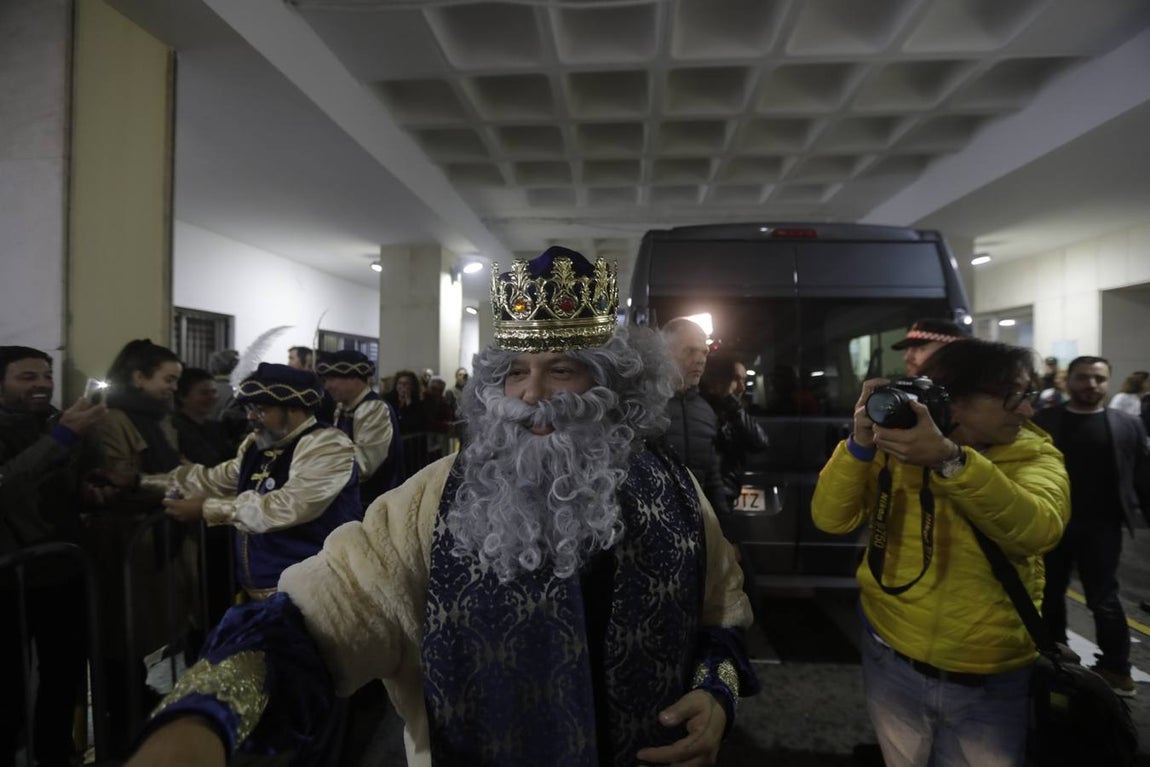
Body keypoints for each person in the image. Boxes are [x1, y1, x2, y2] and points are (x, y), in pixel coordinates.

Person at [126, 246, 758, 767]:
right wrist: (201, 718)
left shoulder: (673, 488)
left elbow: (720, 619)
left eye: (561, 370)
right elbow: (317, 618)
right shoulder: (433, 495)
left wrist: (716, 692)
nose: (530, 395)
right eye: (514, 372)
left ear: (613, 385)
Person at [812, 339, 1069, 767]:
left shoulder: (1034, 455)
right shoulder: (895, 450)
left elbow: (1038, 530)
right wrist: (859, 444)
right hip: (891, 656)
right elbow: (830, 519)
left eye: (1028, 396)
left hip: (989, 675)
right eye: (1014, 398)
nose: (1028, 411)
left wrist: (952, 462)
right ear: (954, 400)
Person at [139, 363, 362, 602]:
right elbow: (214, 479)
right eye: (249, 408)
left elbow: (287, 506)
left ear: (295, 409)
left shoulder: (327, 445)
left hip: (317, 592)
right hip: (261, 593)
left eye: (261, 409)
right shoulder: (256, 444)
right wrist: (141, 481)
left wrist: (206, 509)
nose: (251, 416)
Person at [0, 346, 106, 767]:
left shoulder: (55, 418)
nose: (42, 384)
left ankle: (56, 752)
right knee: (7, 684)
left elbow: (65, 481)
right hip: (8, 576)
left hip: (61, 567)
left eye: (45, 375)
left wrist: (93, 486)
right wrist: (61, 437)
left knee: (63, 673)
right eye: (27, 377)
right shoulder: (56, 427)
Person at [1035, 356, 1149, 697]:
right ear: (1068, 381)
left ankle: (1117, 669)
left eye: (1099, 379)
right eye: (1083, 378)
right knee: (1049, 593)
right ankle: (1056, 658)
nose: (1092, 385)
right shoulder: (1045, 420)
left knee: (1103, 597)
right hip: (1052, 521)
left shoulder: (1126, 424)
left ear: (1108, 381)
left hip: (1102, 525)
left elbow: (1141, 474)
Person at [316, 350, 403, 507]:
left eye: (332, 379)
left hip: (372, 504)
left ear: (353, 378)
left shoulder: (373, 408)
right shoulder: (344, 407)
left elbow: (363, 464)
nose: (327, 386)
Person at [662, 317, 730, 515]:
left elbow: (712, 476)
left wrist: (726, 529)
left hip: (697, 525)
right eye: (690, 351)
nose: (700, 359)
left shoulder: (706, 411)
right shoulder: (645, 407)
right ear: (664, 353)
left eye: (704, 352)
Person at [698, 351, 769, 507]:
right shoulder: (699, 408)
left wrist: (734, 408)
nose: (741, 388)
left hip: (726, 495)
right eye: (736, 380)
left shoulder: (734, 412)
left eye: (744, 380)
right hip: (705, 495)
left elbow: (759, 442)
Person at [172, 367, 231, 467]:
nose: (212, 397)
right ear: (182, 396)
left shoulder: (215, 427)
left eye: (214, 392)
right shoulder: (176, 430)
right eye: (204, 393)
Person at [890, 317, 968, 376]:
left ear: (952, 351)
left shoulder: (966, 394)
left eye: (920, 349)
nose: (907, 357)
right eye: (907, 350)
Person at [384, 368, 428, 434]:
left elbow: (415, 423)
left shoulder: (418, 402)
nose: (403, 386)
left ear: (412, 386)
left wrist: (409, 403)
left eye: (406, 383)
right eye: (400, 383)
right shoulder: (388, 399)